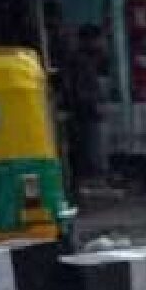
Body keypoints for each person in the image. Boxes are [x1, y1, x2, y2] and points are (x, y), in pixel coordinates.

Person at [63, 25, 108, 186]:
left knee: (93, 146)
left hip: (88, 111)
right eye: (99, 40)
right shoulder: (79, 61)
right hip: (85, 113)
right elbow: (78, 89)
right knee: (91, 147)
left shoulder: (89, 60)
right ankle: (92, 180)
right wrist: (92, 103)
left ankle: (92, 178)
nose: (102, 43)